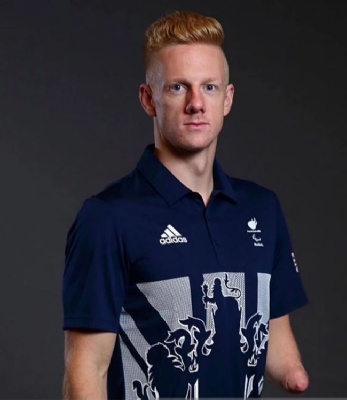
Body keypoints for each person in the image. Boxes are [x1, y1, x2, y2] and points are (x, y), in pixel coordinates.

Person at [62, 10, 309, 399]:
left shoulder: (262, 208)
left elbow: (274, 331)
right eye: (178, 87)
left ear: (227, 99)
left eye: (209, 87)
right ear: (149, 99)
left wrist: (294, 373)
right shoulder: (108, 217)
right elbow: (86, 370)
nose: (196, 103)